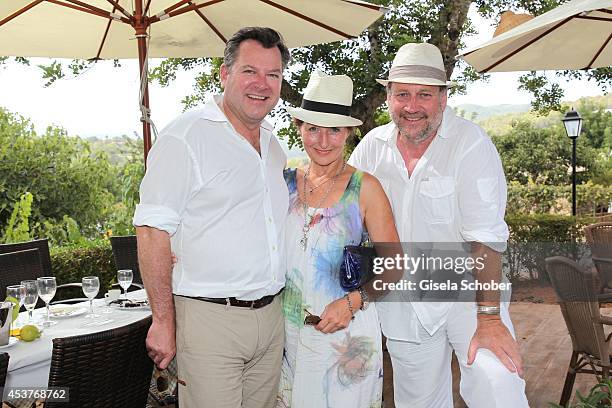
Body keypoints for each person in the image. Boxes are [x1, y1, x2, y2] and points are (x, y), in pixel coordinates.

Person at [348, 43, 530, 407]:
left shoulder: (470, 144)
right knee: (418, 403)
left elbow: (486, 239)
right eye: (403, 94)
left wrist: (490, 319)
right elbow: (344, 214)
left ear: (443, 99)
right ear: (388, 97)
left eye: (424, 95)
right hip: (402, 302)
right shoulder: (371, 147)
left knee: (499, 386)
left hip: (469, 295)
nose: (412, 106)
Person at [133, 27, 291, 408]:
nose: (262, 84)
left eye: (273, 75)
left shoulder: (274, 145)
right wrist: (163, 321)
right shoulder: (185, 138)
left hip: (271, 320)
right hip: (209, 320)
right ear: (224, 73)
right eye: (250, 71)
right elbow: (152, 231)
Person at [277, 70, 401, 408]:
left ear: (347, 132)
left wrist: (351, 303)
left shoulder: (366, 187)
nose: (322, 140)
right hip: (288, 337)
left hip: (347, 339)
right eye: (313, 128)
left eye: (334, 130)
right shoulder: (282, 183)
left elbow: (395, 265)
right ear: (299, 128)